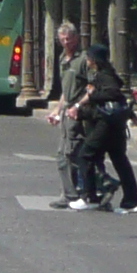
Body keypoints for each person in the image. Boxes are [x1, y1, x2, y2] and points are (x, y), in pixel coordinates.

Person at [69, 42, 137, 213]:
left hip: (106, 124)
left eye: (88, 56)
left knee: (85, 155)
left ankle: (90, 197)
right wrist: (81, 113)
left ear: (94, 59)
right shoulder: (108, 74)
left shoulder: (103, 76)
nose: (86, 59)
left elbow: (112, 94)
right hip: (115, 124)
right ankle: (132, 200)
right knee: (120, 161)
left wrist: (93, 95)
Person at [43, 24, 90, 203]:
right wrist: (57, 109)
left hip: (77, 114)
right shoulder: (63, 58)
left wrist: (77, 106)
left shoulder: (84, 60)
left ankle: (74, 193)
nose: (65, 42)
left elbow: (92, 88)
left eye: (68, 38)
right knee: (68, 155)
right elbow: (65, 91)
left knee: (68, 154)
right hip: (67, 112)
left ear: (76, 38)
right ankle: (77, 191)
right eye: (62, 39)